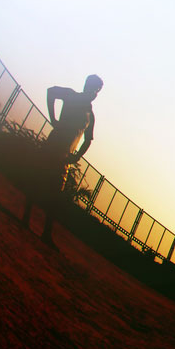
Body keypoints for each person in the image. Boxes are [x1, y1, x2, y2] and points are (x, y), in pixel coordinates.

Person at [22, 74, 102, 245]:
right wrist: (54, 119)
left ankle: (46, 233)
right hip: (53, 146)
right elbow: (51, 92)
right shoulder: (71, 95)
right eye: (93, 88)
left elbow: (88, 139)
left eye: (97, 91)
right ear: (86, 85)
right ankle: (25, 218)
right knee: (38, 180)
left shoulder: (91, 115)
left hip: (65, 157)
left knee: (55, 195)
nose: (94, 93)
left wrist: (76, 156)